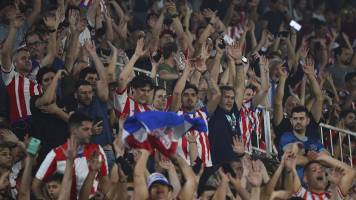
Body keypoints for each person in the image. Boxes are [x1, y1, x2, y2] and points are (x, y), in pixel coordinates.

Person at [32, 112, 109, 200]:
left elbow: (104, 181)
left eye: (91, 129)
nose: (90, 133)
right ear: (74, 131)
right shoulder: (55, 154)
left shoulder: (97, 150)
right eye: (86, 129)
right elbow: (36, 186)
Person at [30, 68, 69, 163]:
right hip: (43, 154)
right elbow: (47, 100)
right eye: (46, 80)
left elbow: (74, 122)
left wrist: (57, 111)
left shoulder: (65, 101)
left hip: (64, 153)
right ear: (40, 85)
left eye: (53, 78)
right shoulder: (35, 99)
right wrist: (30, 155)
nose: (51, 82)